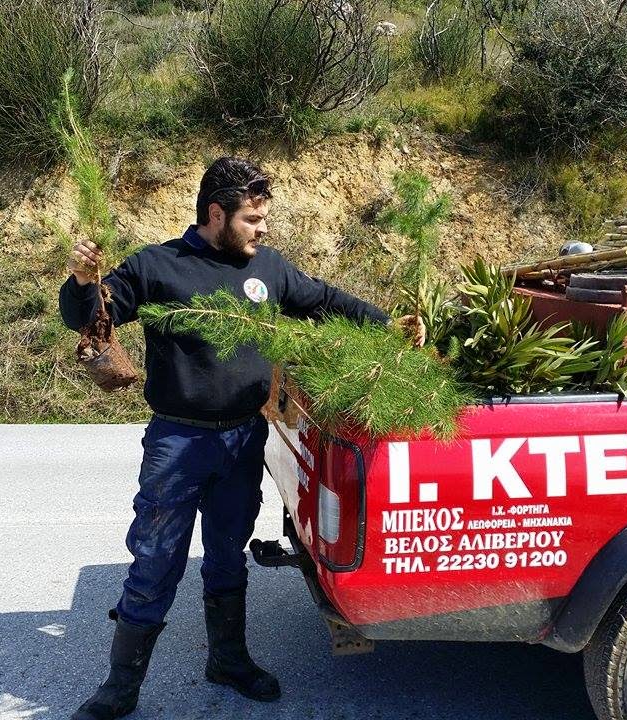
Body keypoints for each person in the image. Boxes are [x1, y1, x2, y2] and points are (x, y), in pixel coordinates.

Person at [59, 156, 425, 720]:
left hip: (242, 440)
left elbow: (324, 300)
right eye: (252, 218)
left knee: (228, 554)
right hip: (177, 444)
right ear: (215, 214)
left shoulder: (269, 269)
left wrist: (386, 324)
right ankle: (120, 688)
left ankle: (227, 660)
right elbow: (91, 319)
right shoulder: (159, 266)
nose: (262, 228)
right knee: (156, 558)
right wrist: (83, 284)